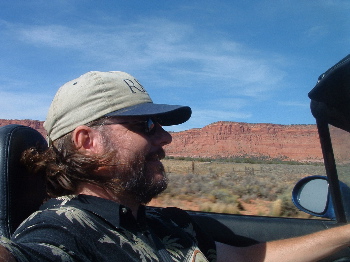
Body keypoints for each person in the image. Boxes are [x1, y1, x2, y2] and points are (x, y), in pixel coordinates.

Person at [0, 71, 350, 262]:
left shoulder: (166, 222)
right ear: (87, 141)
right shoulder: (62, 232)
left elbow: (249, 258)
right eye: (146, 125)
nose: (166, 138)